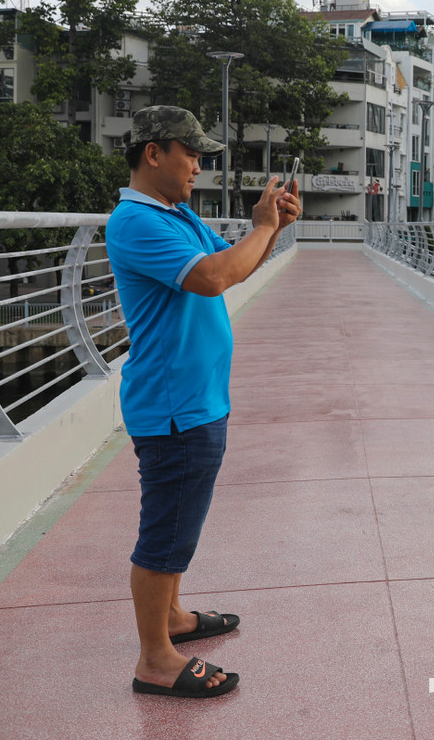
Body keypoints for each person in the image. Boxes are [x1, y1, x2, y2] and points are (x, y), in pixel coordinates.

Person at [106, 106, 301, 699]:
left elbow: (235, 265)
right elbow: (213, 279)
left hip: (197, 401)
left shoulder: (177, 214)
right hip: (174, 408)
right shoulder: (136, 222)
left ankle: (171, 618)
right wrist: (263, 229)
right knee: (166, 533)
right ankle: (155, 660)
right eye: (189, 152)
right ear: (152, 153)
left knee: (180, 525)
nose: (198, 164)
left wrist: (271, 227)